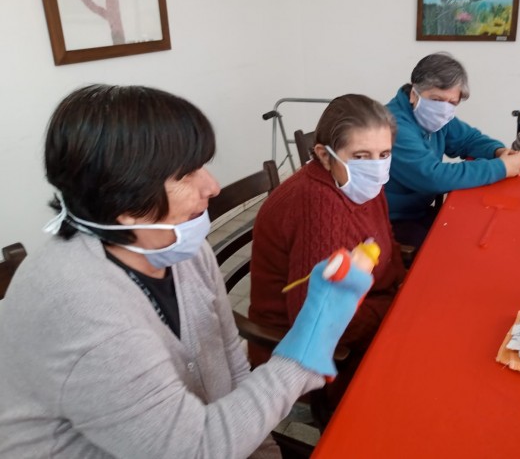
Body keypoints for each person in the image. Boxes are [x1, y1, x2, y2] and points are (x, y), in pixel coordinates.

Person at [0, 85, 372, 458]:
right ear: (123, 200)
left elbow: (229, 360)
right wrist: (305, 351)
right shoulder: (82, 310)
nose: (211, 186)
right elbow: (194, 450)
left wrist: (264, 450)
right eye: (186, 174)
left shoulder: (177, 249)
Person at [249, 94, 406, 408]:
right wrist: (395, 309)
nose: (376, 167)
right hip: (312, 354)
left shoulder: (359, 184)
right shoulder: (317, 205)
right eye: (361, 155)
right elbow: (322, 321)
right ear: (324, 154)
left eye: (384, 153)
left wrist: (403, 290)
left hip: (365, 316)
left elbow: (385, 245)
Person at [385, 52, 520, 249]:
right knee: (457, 247)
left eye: (452, 102)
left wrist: (498, 151)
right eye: (436, 99)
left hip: (420, 210)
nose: (443, 108)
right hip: (391, 220)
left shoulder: (437, 119)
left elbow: (469, 139)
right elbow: (432, 177)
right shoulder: (393, 125)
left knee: (475, 229)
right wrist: (500, 168)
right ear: (413, 94)